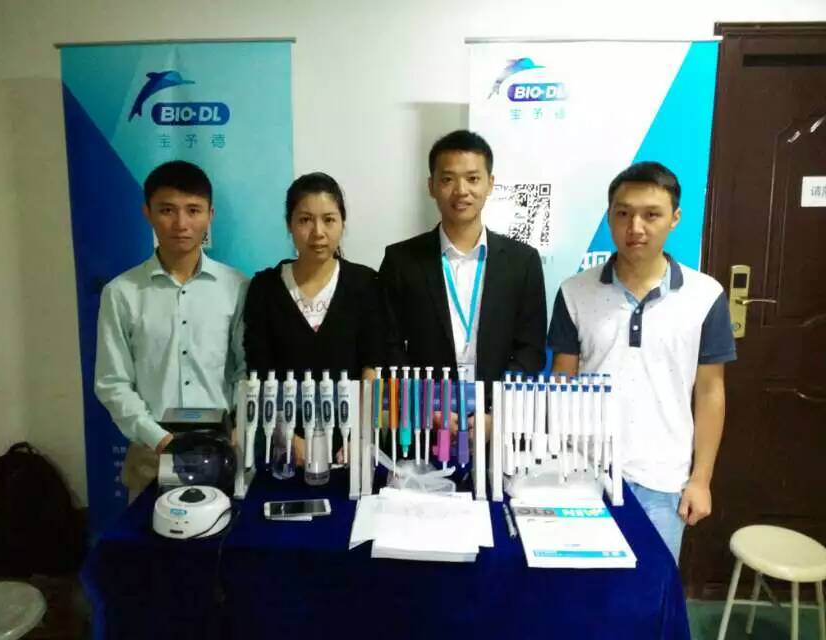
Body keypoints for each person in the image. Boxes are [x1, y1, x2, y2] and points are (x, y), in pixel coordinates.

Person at [548, 161, 736, 562]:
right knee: (582, 587)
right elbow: (561, 379)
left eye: (651, 215)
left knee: (650, 590)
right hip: (583, 473)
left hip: (662, 480)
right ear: (610, 216)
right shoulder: (574, 292)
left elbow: (710, 391)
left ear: (675, 218)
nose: (635, 227)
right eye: (623, 213)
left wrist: (701, 479)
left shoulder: (705, 296)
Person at [95, 160, 247, 501]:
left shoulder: (237, 287)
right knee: (148, 537)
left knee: (226, 535)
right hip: (151, 455)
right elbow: (112, 382)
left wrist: (238, 428)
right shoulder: (121, 293)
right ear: (147, 213)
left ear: (210, 215)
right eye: (167, 210)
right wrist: (159, 439)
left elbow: (244, 370)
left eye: (193, 210)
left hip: (221, 450)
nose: (181, 224)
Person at [378, 129, 546, 437]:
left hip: (496, 426)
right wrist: (424, 407)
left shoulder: (522, 262)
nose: (461, 191)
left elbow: (530, 349)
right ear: (431, 186)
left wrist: (497, 413)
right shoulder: (401, 260)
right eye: (448, 179)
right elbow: (389, 346)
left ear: (490, 184)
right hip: (426, 425)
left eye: (472, 178)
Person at [243, 172, 384, 464]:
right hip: (283, 446)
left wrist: (360, 434)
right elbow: (259, 370)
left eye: (329, 219)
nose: (318, 232)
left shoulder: (365, 283)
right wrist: (287, 437)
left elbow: (373, 363)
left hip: (351, 447)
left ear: (342, 223)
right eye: (305, 220)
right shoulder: (264, 288)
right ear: (289, 224)